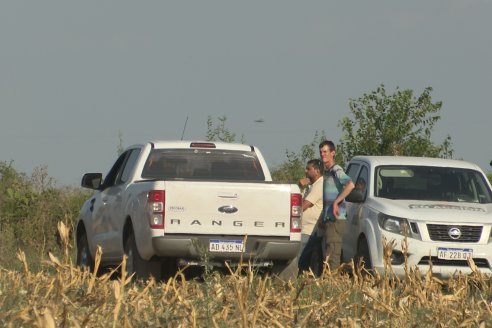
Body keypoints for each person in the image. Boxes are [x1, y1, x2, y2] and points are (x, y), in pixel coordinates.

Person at [318, 140, 355, 270]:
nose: (323, 155)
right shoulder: (327, 172)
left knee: (333, 252)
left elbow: (350, 185)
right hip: (329, 218)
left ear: (333, 153)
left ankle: (333, 281)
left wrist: (337, 201)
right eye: (321, 152)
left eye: (325, 152)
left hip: (336, 218)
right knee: (328, 252)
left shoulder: (336, 169)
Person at [297, 159, 324, 275]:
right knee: (302, 260)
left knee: (299, 260)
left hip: (310, 230)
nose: (305, 171)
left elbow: (303, 206)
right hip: (305, 229)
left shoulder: (319, 185)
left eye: (309, 169)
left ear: (317, 171)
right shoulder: (312, 186)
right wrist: (301, 187)